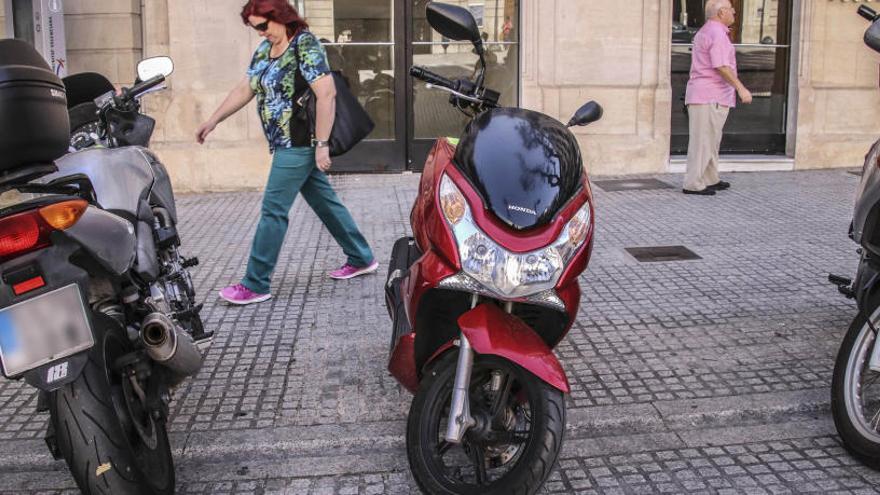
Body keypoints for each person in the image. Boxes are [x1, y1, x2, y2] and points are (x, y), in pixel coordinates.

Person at [196, 0, 378, 306]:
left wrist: (321, 144)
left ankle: (255, 283)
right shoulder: (265, 51)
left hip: (299, 142)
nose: (260, 33)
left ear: (279, 16)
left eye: (263, 26)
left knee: (273, 209)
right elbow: (245, 88)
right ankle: (361, 257)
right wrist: (213, 120)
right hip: (283, 142)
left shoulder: (303, 45)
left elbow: (327, 94)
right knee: (325, 202)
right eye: (255, 29)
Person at [682, 0, 752, 196]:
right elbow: (721, 65)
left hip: (710, 96)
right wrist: (741, 88)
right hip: (708, 96)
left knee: (711, 140)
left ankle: (710, 178)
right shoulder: (717, 33)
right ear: (722, 12)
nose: (734, 13)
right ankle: (693, 183)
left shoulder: (709, 31)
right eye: (731, 10)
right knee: (703, 141)